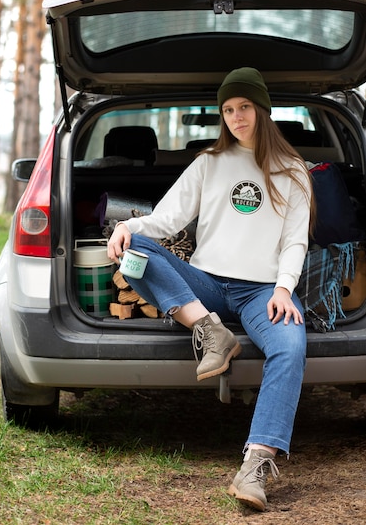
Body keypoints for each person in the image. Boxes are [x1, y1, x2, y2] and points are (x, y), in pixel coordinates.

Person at [107, 67, 314, 512]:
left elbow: (296, 239)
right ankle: (208, 329)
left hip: (263, 291)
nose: (236, 117)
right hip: (207, 286)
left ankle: (256, 464)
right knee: (135, 252)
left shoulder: (292, 169)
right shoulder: (209, 163)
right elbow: (166, 220)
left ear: (262, 109)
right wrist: (126, 225)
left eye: (243, 107)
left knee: (291, 345)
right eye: (227, 110)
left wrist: (283, 288)